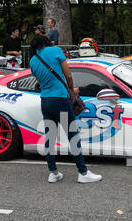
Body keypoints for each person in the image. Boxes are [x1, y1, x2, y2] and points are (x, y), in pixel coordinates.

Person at [29, 35, 102, 183]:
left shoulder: (33, 60)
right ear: (47, 42)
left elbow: (39, 82)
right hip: (61, 99)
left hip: (46, 101)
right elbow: (68, 74)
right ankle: (83, 172)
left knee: (50, 137)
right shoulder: (55, 50)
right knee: (72, 135)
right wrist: (71, 89)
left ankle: (53, 173)